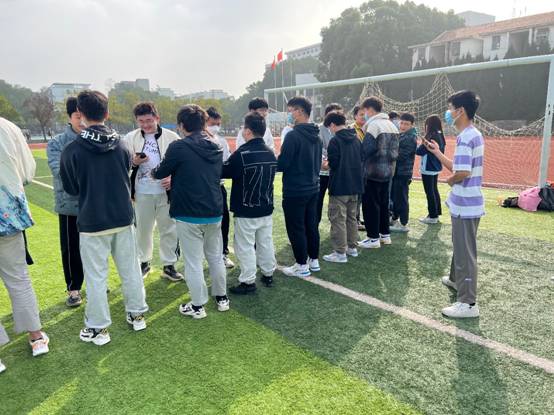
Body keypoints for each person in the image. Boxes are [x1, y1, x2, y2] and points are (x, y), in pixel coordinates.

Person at [60, 91, 148, 345]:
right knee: (131, 270)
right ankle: (137, 314)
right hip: (122, 217)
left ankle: (99, 328)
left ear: (80, 114)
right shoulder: (122, 144)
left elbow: (71, 189)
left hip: (92, 220)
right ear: (107, 113)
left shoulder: (72, 149)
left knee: (96, 276)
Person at [152, 105, 229, 319]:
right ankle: (222, 298)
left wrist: (153, 172)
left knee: (193, 261)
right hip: (214, 209)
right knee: (215, 257)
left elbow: (160, 172)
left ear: (181, 125)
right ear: (203, 123)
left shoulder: (179, 146)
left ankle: (197, 306)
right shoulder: (216, 144)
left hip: (188, 211)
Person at [425, 90, 484, 318]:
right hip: (466, 203)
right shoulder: (471, 134)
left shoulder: (467, 137)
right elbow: (458, 166)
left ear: (460, 111)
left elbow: (462, 172)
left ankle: (468, 303)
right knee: (460, 246)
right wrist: (437, 153)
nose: (448, 113)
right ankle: (455, 279)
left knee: (465, 252)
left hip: (466, 204)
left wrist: (450, 180)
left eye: (450, 109)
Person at [0, 117, 50, 370]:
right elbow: (28, 171)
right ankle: (36, 337)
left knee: (18, 279)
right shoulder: (7, 126)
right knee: (18, 278)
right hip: (7, 213)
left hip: (7, 213)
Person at [124, 102, 182, 281]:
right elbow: (122, 164)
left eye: (149, 120)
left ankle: (169, 265)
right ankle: (144, 262)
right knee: (143, 229)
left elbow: (183, 164)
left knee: (169, 228)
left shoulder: (172, 137)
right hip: (142, 192)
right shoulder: (130, 138)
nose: (146, 125)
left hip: (166, 192)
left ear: (157, 118)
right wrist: (134, 162)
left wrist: (173, 179)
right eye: (141, 121)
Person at [222, 112, 277, 294]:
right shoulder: (270, 152)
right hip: (266, 206)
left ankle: (248, 281)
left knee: (244, 246)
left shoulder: (241, 153)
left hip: (246, 209)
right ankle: (268, 274)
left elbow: (223, 171)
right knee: (265, 242)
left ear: (247, 131)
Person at [47, 97, 85, 306]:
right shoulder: (57, 143)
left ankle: (96, 282)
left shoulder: (94, 139)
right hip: (69, 205)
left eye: (84, 116)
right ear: (69, 117)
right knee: (71, 249)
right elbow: (58, 171)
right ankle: (74, 288)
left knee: (95, 247)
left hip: (93, 204)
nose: (82, 121)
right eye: (78, 117)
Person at [277, 96, 322, 277]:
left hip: (295, 189)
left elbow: (283, 164)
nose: (289, 114)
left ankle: (301, 265)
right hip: (313, 187)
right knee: (311, 225)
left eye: (291, 111)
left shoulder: (293, 135)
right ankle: (313, 260)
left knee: (296, 227)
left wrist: (275, 159)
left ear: (300, 111)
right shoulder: (316, 135)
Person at [322, 111, 363, 263]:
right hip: (355, 185)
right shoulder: (356, 139)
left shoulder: (335, 141)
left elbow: (333, 164)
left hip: (339, 185)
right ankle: (352, 247)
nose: (330, 130)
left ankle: (340, 252)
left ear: (333, 124)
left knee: (338, 219)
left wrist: (325, 164)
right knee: (351, 218)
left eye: (329, 127)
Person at [358, 96, 399, 249]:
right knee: (383, 204)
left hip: (373, 172)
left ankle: (373, 237)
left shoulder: (374, 125)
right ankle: (385, 235)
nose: (364, 114)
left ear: (370, 109)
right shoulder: (392, 125)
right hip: (388, 171)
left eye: (365, 111)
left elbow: (366, 150)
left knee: (371, 205)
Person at [206, 107, 234, 269]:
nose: (215, 127)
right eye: (212, 124)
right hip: (201, 189)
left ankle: (223, 253)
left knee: (224, 221)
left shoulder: (221, 141)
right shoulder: (195, 141)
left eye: (218, 124)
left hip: (218, 187)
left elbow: (227, 163)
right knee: (202, 224)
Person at [390, 113, 417, 233]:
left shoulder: (410, 137)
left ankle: (403, 223)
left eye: (406, 124)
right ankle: (395, 218)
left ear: (412, 125)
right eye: (402, 123)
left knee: (402, 198)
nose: (403, 126)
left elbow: (401, 156)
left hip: (403, 173)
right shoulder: (403, 135)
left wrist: (388, 153)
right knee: (397, 197)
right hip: (398, 172)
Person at [316, 103, 343, 225]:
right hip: (322, 171)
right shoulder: (319, 129)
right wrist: (333, 153)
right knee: (318, 199)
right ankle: (315, 223)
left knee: (337, 201)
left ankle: (335, 224)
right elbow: (319, 147)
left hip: (336, 171)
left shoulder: (342, 129)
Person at [417, 115, 446, 224]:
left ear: (429, 125)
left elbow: (419, 151)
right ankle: (436, 213)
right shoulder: (440, 134)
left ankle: (433, 216)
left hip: (428, 166)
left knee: (429, 191)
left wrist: (420, 143)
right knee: (434, 190)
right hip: (436, 166)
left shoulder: (431, 136)